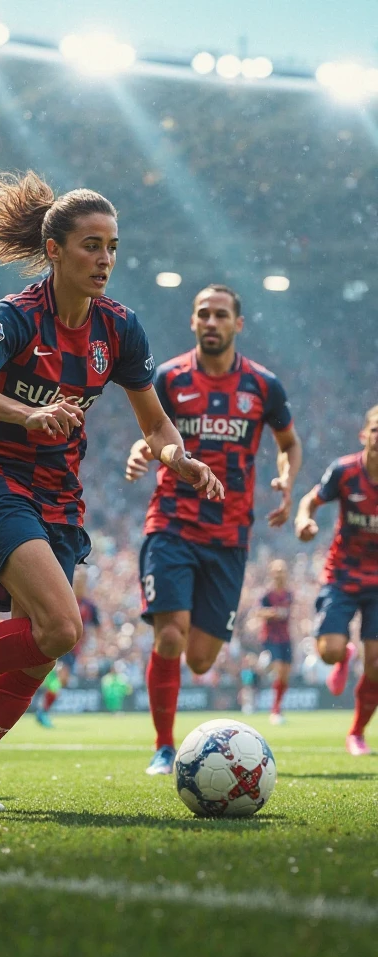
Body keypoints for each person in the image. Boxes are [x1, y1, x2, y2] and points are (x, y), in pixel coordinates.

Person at [0, 170, 224, 811]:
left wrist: (177, 457)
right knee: (62, 627)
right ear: (54, 250)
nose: (104, 260)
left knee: (39, 649)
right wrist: (27, 414)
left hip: (60, 494)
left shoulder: (119, 329)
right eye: (90, 246)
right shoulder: (17, 316)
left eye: (112, 247)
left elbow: (155, 423)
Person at [125, 284, 302, 775]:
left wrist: (287, 481)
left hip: (229, 534)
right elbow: (150, 431)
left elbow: (289, 443)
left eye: (221, 314)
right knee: (170, 636)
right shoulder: (169, 378)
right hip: (172, 522)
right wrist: (141, 452)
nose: (211, 321)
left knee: (201, 658)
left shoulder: (263, 385)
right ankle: (164, 747)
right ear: (193, 321)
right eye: (203, 313)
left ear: (237, 324)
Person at [295, 404, 378, 755]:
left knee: (376, 664)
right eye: (376, 429)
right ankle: (343, 654)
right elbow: (310, 501)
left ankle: (356, 732)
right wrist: (304, 520)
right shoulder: (344, 471)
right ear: (364, 435)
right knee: (328, 653)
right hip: (342, 575)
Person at [35, 572, 99, 726]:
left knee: (62, 681)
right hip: (59, 642)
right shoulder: (65, 600)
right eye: (77, 582)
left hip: (74, 649)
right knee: (61, 677)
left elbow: (97, 627)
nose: (79, 585)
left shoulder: (89, 606)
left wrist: (91, 647)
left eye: (82, 582)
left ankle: (43, 707)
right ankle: (42, 710)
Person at [259, 558, 294, 724]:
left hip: (285, 637)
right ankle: (275, 710)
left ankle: (278, 706)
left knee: (285, 674)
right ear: (272, 573)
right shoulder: (267, 594)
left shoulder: (289, 594)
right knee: (279, 668)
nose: (280, 574)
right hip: (271, 637)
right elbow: (258, 612)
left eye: (282, 571)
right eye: (277, 571)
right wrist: (274, 613)